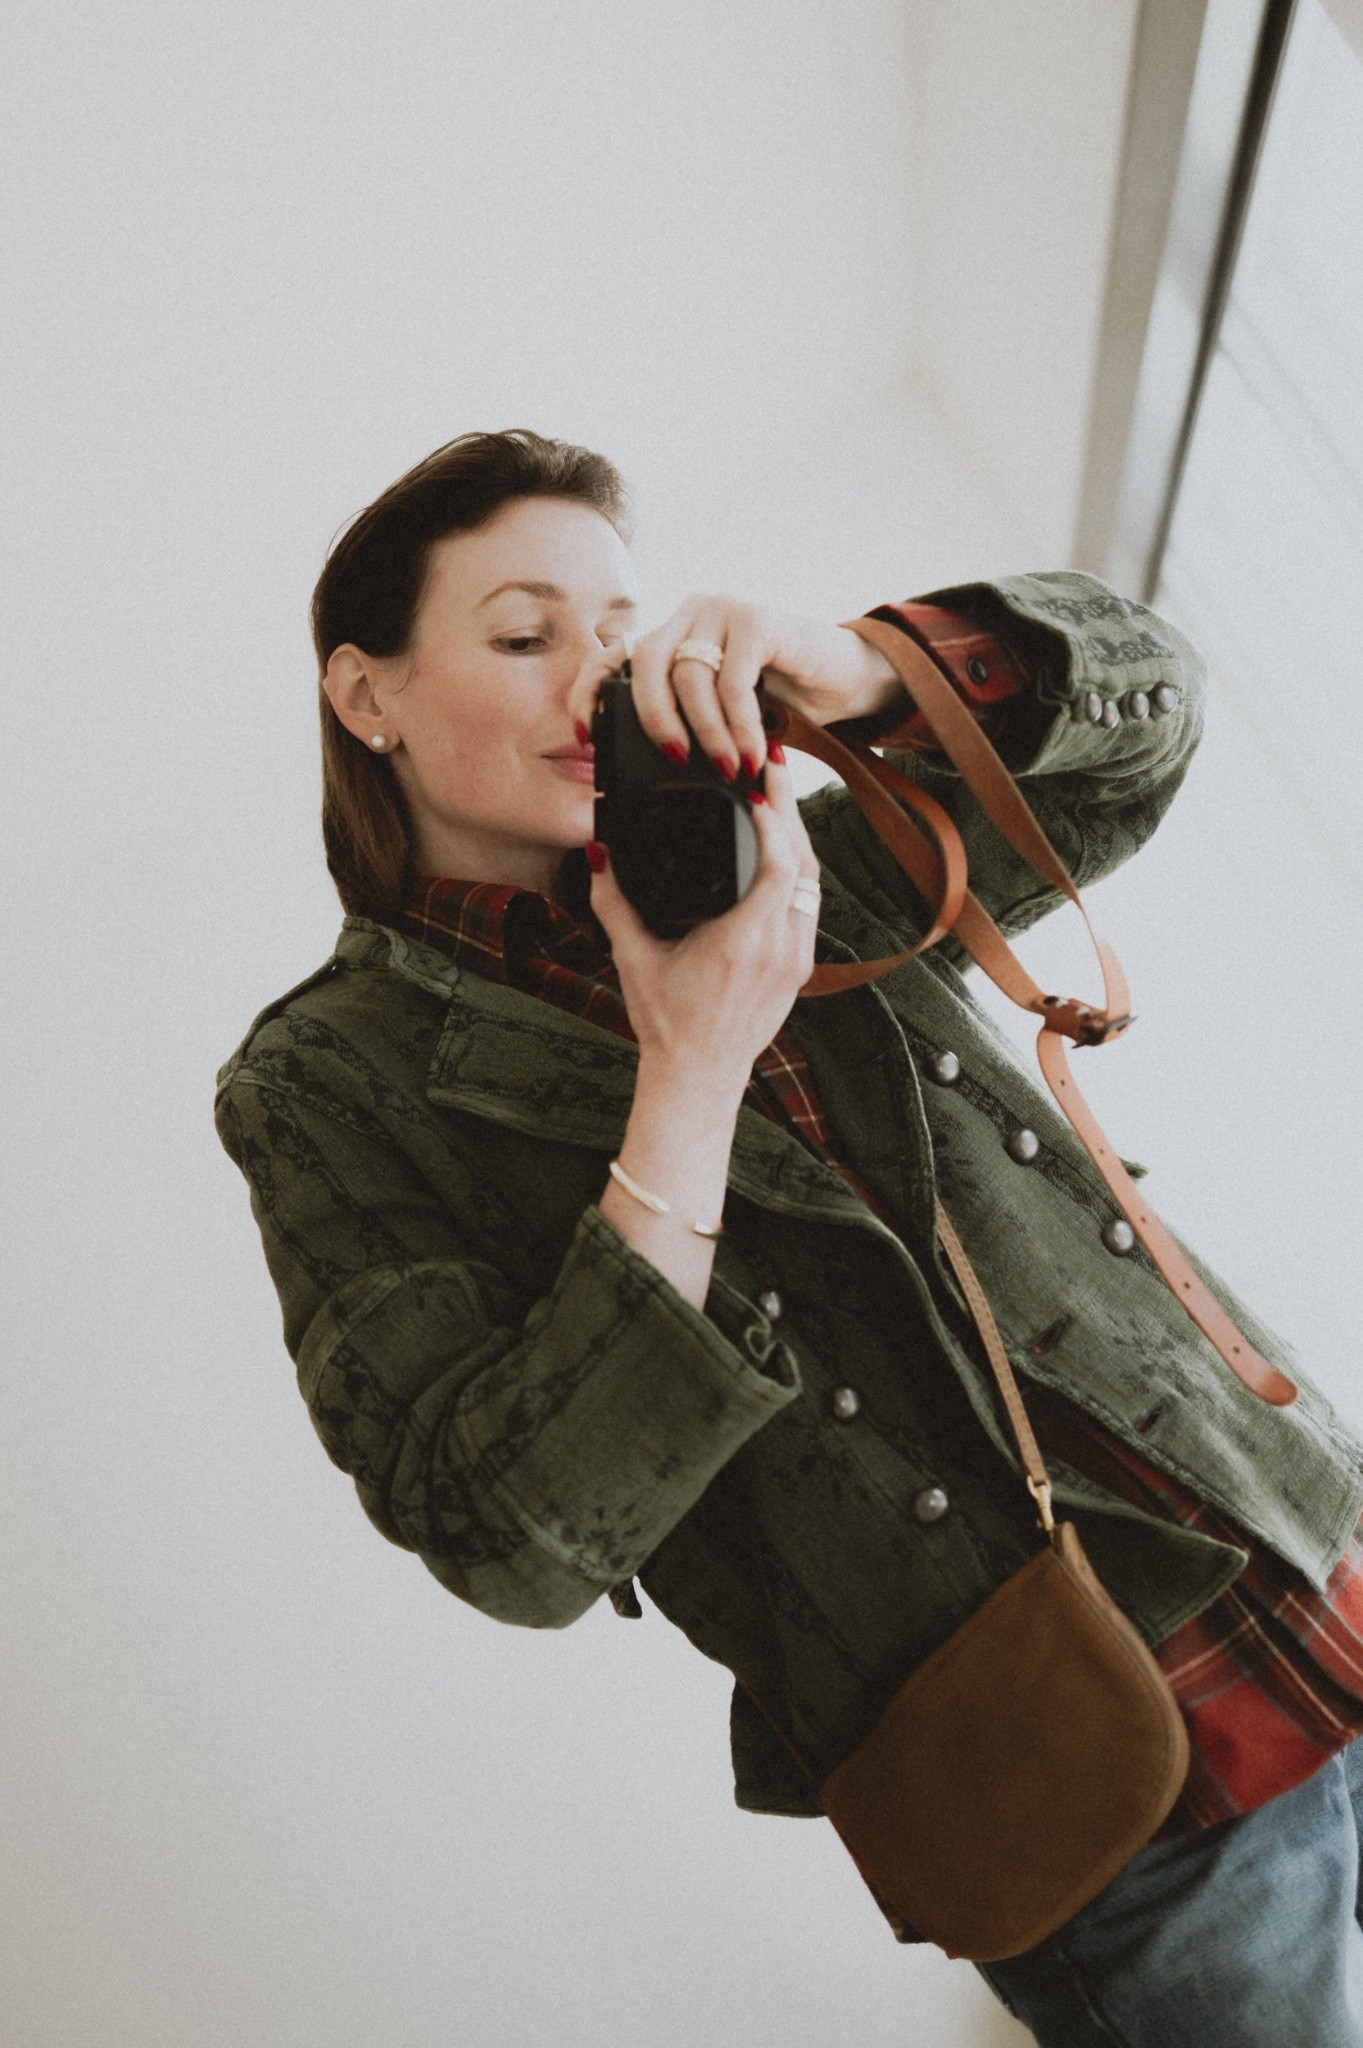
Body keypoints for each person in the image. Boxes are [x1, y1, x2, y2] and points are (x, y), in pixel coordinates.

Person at [215, 429, 1363, 2046]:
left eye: (616, 636)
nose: (590, 684)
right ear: (368, 695)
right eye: (526, 635)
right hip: (1099, 1785)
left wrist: (863, 670)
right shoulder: (326, 1080)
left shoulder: (793, 852)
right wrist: (685, 1072)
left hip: (1315, 1544)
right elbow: (508, 1532)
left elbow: (1148, 718)